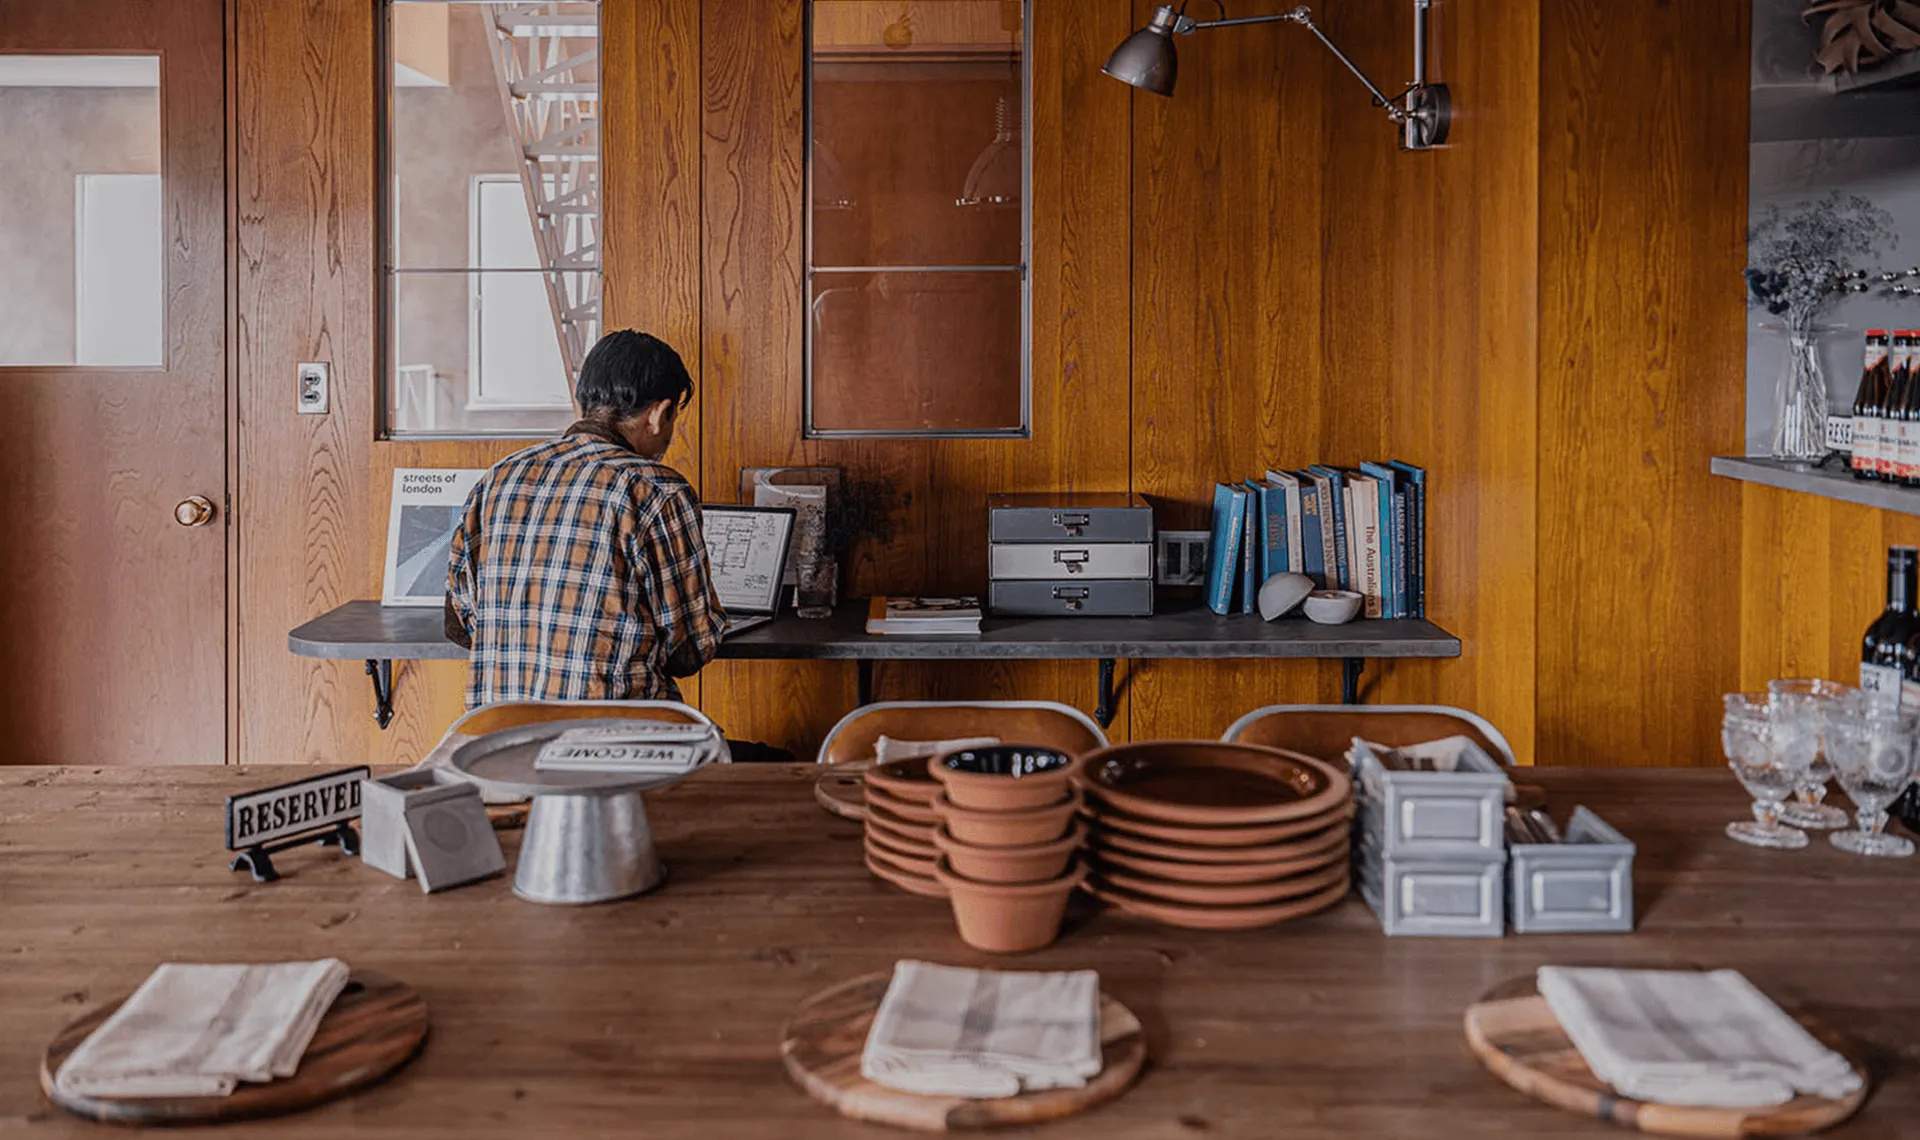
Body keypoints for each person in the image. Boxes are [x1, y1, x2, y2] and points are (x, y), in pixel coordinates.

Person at [444, 330, 724, 707]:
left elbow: (461, 623)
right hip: (613, 751)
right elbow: (688, 650)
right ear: (659, 414)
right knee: (776, 761)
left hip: (498, 749)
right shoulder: (656, 491)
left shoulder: (498, 478)